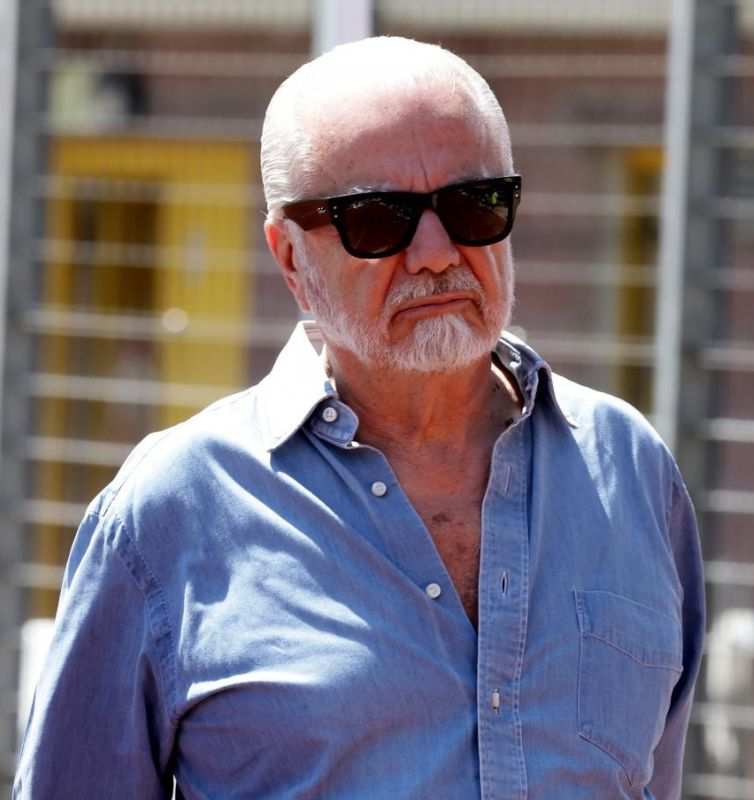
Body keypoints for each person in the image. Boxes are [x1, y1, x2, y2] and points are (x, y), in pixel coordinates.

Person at [14, 36, 704, 799]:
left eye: (474, 205)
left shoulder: (630, 469)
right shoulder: (172, 510)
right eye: (378, 219)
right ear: (289, 258)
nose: (437, 253)